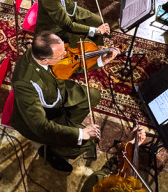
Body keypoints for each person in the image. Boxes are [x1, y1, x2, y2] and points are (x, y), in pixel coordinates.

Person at [10, 32, 118, 173]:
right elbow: (40, 126)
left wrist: (101, 61)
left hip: (56, 92)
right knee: (88, 142)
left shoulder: (40, 50)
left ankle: (66, 126)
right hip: (39, 120)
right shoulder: (25, 83)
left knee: (93, 95)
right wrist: (80, 133)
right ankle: (51, 151)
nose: (65, 55)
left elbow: (71, 63)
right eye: (61, 55)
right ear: (45, 61)